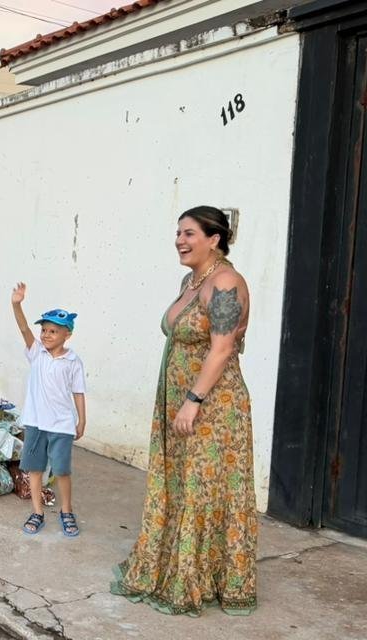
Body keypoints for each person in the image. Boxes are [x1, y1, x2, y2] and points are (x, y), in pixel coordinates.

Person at [110, 205, 256, 616]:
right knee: (181, 485)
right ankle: (177, 566)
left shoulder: (225, 283)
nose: (180, 240)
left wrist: (193, 401)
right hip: (181, 403)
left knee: (203, 489)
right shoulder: (191, 281)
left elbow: (222, 348)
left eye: (189, 233)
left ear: (214, 239)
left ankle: (202, 578)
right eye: (178, 233)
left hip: (213, 408)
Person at [10, 285, 88, 537]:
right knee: (35, 470)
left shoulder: (73, 361)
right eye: (44, 330)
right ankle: (37, 512)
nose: (46, 335)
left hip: (61, 425)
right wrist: (16, 304)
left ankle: (67, 511)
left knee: (62, 470)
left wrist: (81, 420)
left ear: (67, 335)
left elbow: (78, 392)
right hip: (35, 423)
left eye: (53, 331)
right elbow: (24, 328)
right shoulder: (37, 353)